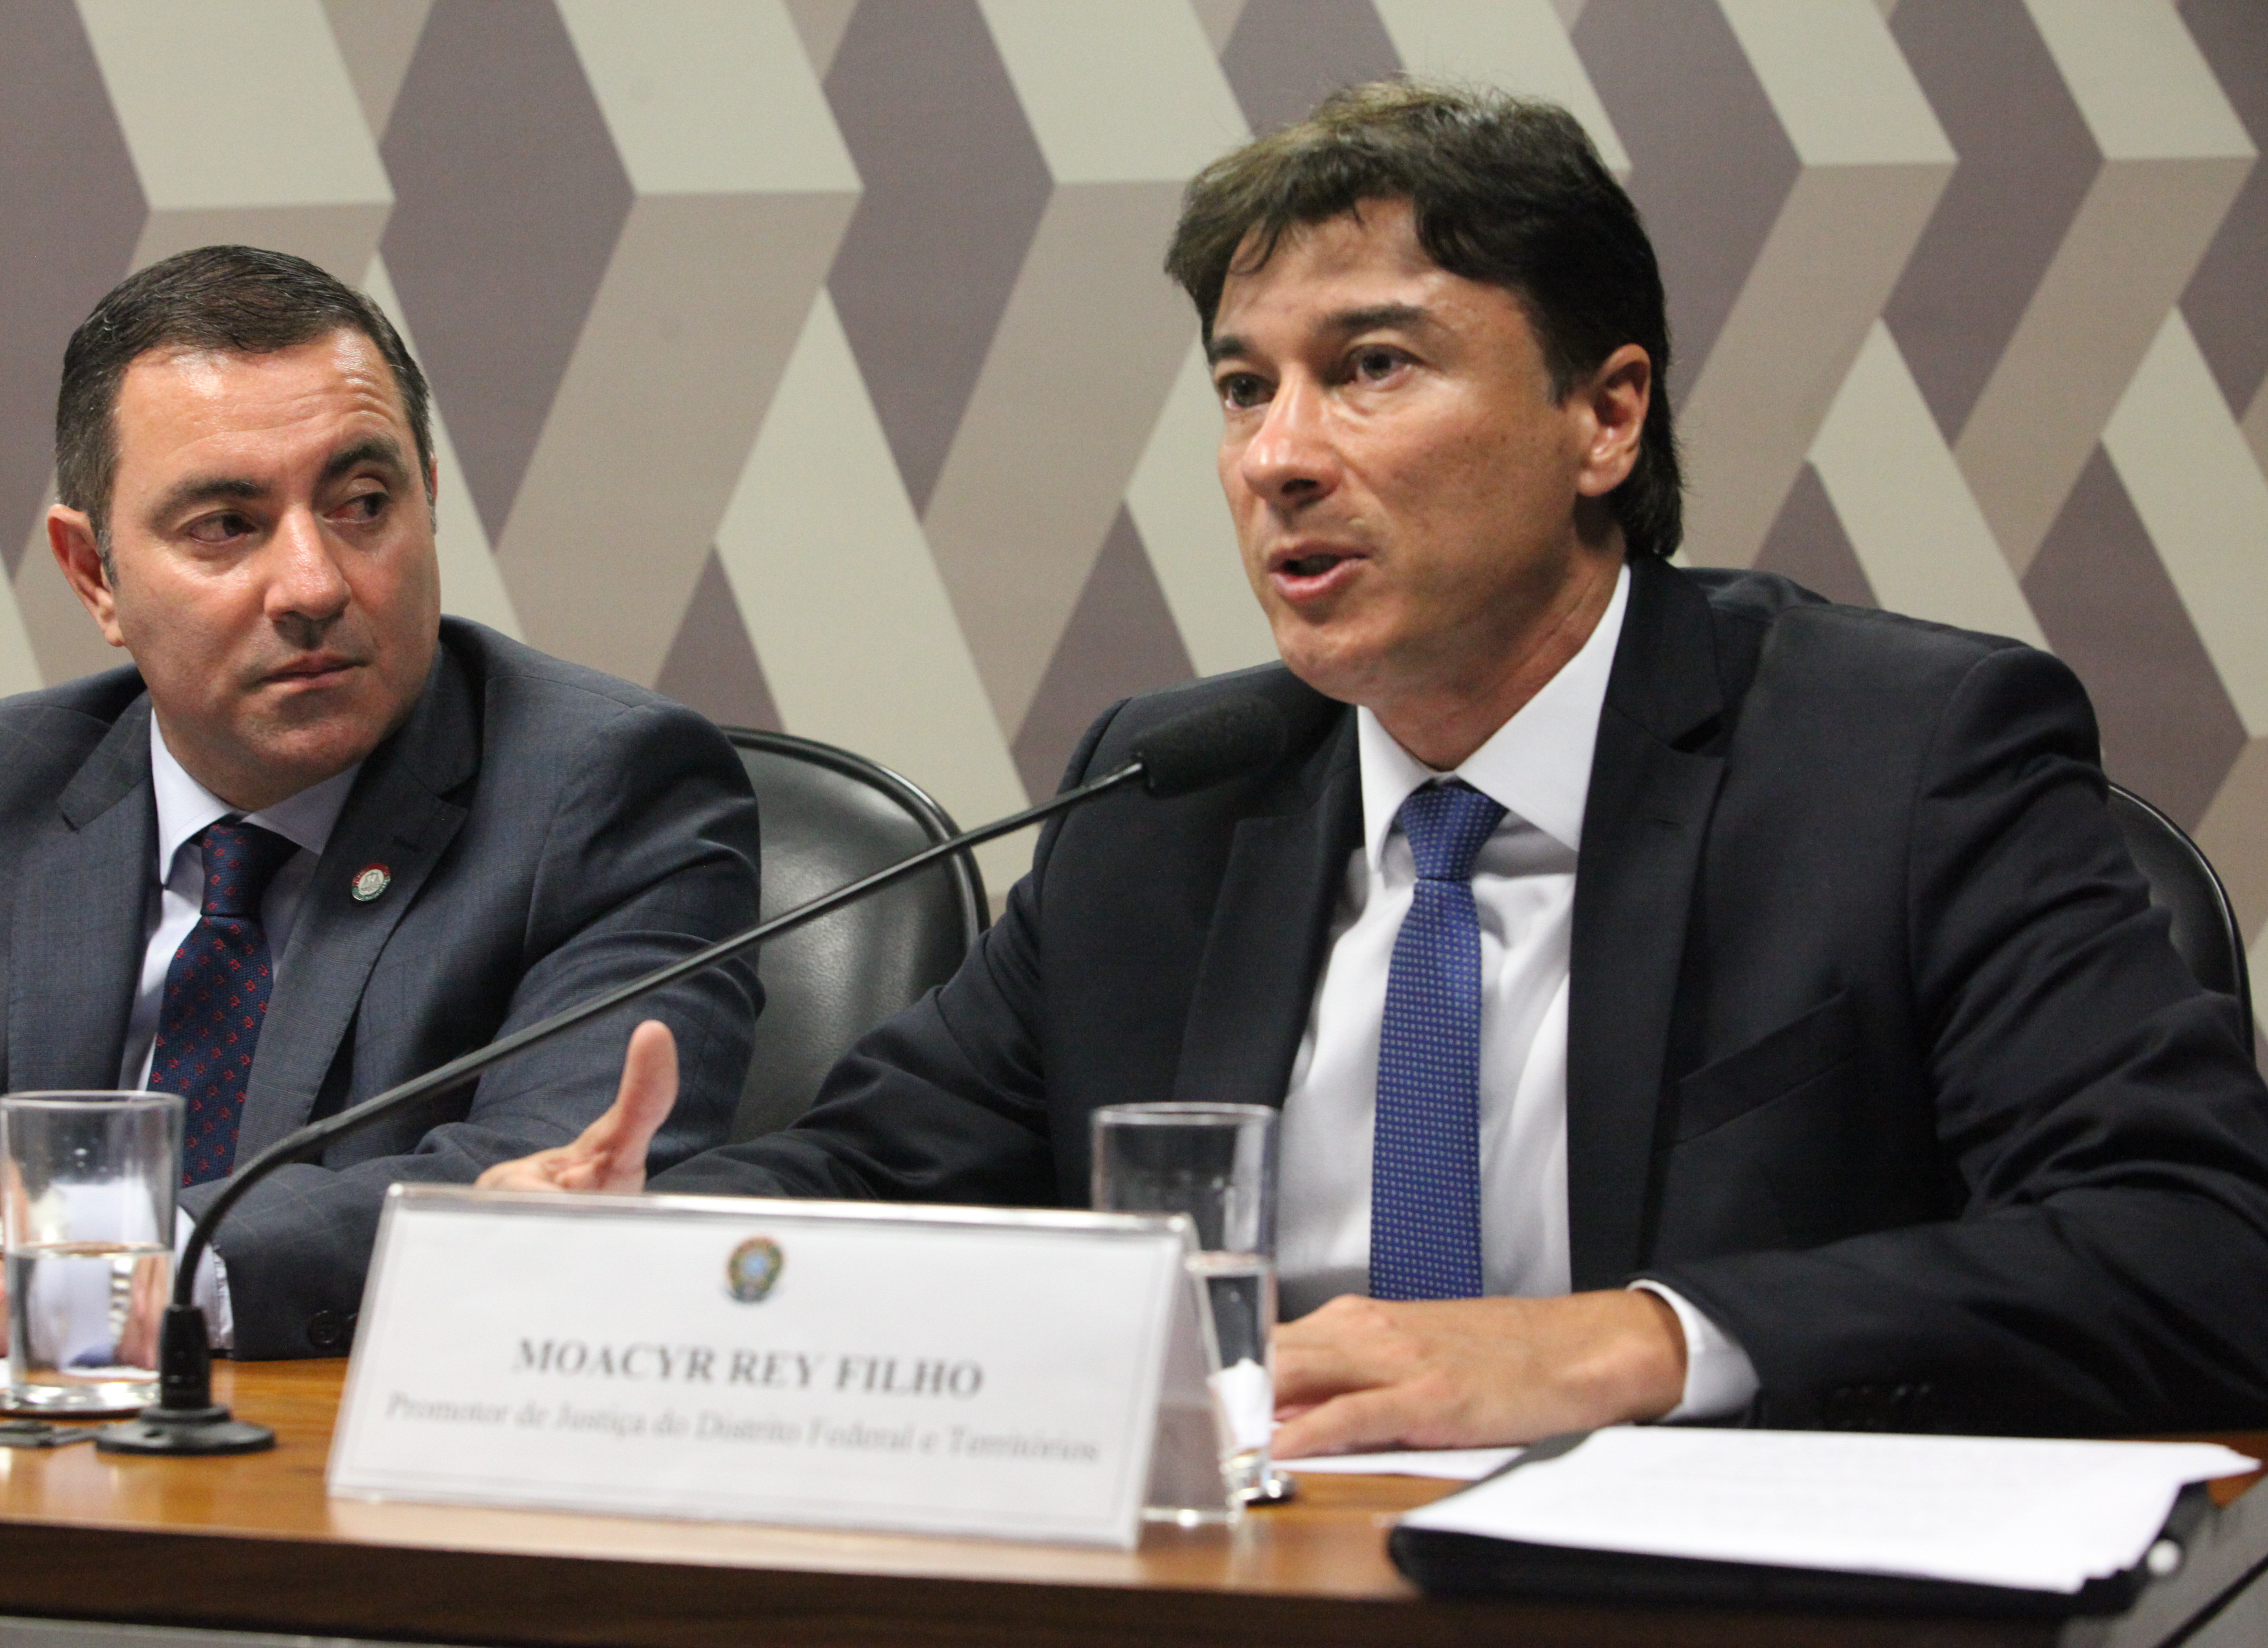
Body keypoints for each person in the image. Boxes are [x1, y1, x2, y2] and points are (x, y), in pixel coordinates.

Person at [485, 82, 2268, 1448]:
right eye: (1242, 387)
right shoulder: (1169, 798)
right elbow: (872, 1179)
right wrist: (638, 1239)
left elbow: (2197, 1248)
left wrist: (1630, 1340)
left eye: (1370, 368)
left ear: (1605, 415)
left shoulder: (1898, 760)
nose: (1278, 455)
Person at [0, 246, 759, 1365]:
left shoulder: (612, 791)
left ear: (429, 499)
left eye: (364, 504)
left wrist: (94, 1288)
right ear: (95, 574)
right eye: (225, 525)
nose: (313, 584)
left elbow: (554, 1188)